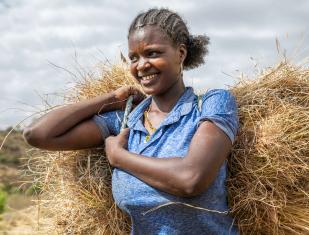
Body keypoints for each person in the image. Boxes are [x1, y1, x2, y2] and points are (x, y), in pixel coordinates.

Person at [23, 8, 239, 235]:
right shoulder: (126, 121)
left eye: (153, 53)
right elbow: (38, 134)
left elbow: (191, 179)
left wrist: (120, 157)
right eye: (134, 57)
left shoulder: (211, 104)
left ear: (181, 53)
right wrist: (111, 99)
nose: (141, 65)